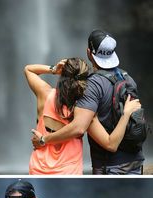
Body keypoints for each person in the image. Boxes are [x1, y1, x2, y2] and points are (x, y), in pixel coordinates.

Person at [31, 29, 144, 175]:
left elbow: (79, 128)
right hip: (136, 161)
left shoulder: (91, 86)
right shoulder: (127, 78)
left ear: (89, 52)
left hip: (110, 167)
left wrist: (44, 139)